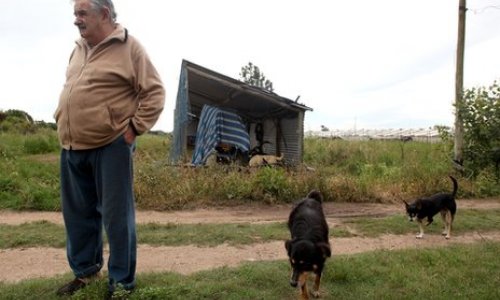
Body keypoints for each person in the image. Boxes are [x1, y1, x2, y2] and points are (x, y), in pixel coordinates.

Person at [54, 0, 165, 297]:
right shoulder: (78, 48)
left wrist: (134, 129)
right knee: (78, 217)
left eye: (82, 13)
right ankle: (86, 274)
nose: (76, 20)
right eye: (75, 13)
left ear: (104, 13)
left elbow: (154, 92)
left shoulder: (130, 48)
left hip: (110, 145)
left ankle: (122, 281)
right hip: (71, 146)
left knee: (116, 218)